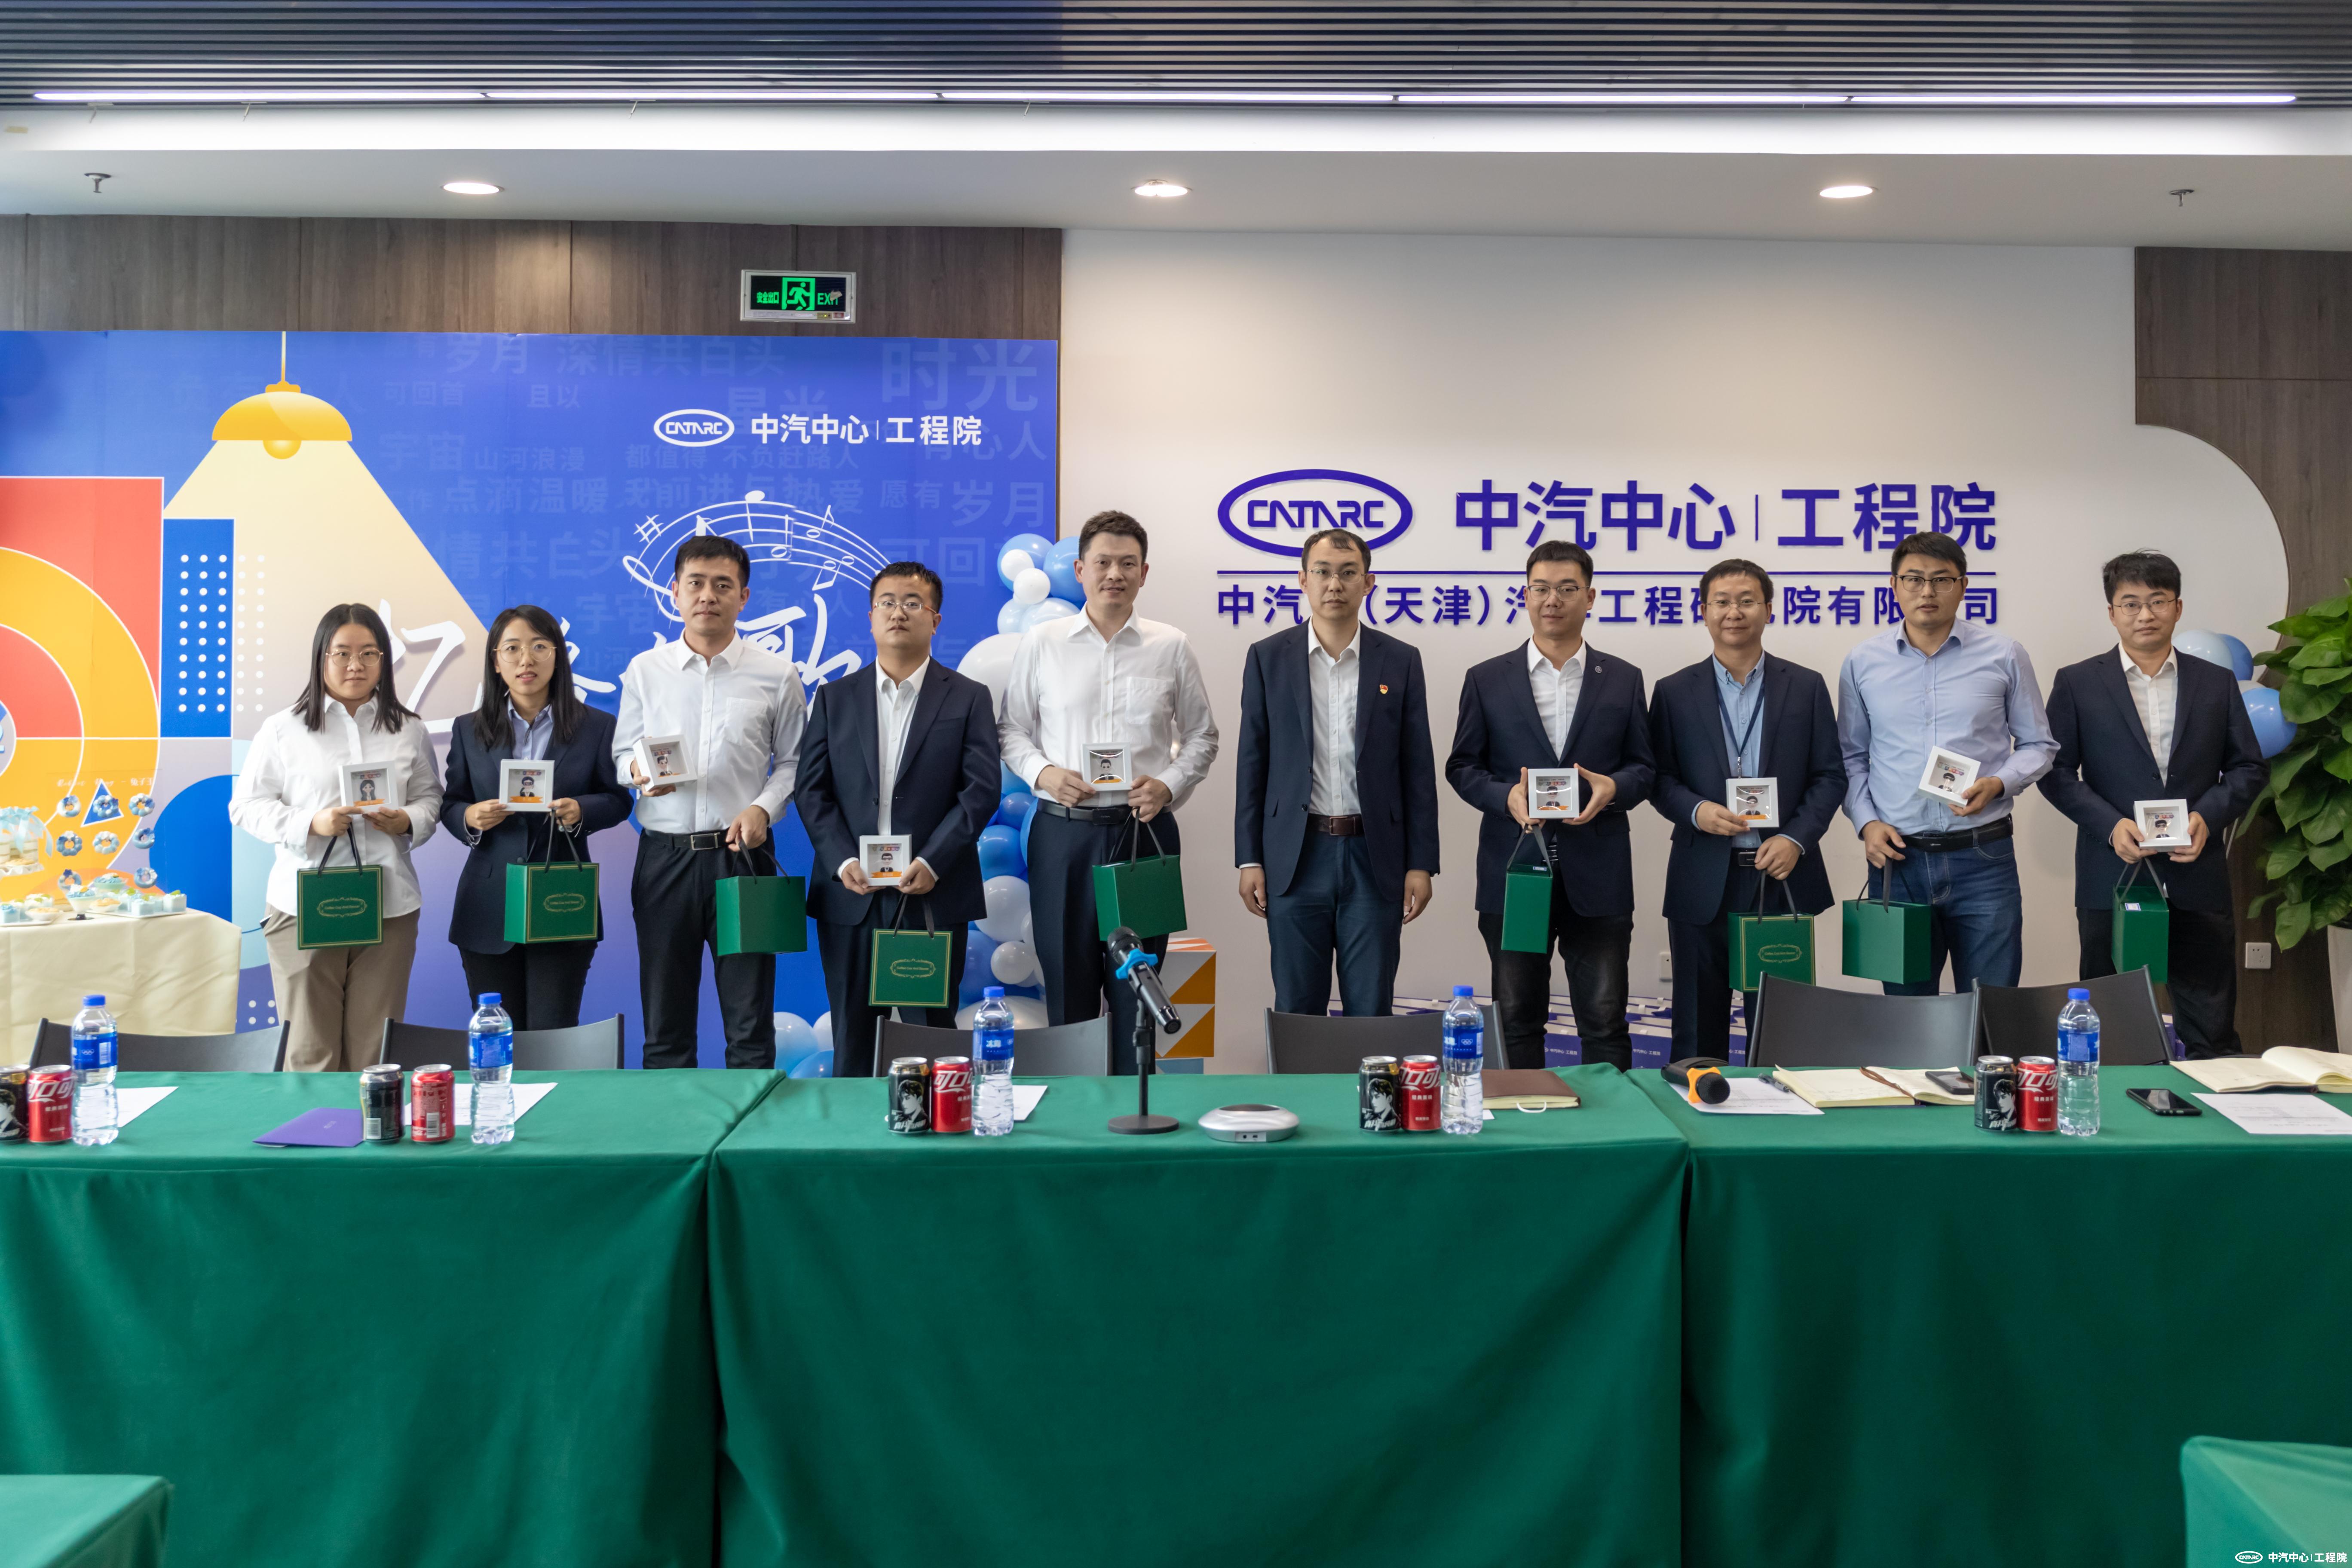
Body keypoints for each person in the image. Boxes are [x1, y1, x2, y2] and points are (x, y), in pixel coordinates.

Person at [999, 511, 1219, 1072]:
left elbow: (1203, 736)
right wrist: (1043, 774)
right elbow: (1011, 730)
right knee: (1067, 992)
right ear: (1080, 570)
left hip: (1142, 836)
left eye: (1127, 563)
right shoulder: (1044, 642)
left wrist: (1169, 785)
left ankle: (1133, 1112)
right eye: (1102, 562)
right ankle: (1074, 1115)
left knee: (1137, 991)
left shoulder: (1170, 645)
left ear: (1144, 573)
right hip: (1063, 835)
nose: (1114, 574)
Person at [2040, 551, 2266, 1057]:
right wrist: (2110, 825)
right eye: (2131, 604)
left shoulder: (2215, 682)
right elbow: (2054, 772)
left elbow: (2249, 767)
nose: (2145, 614)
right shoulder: (2078, 682)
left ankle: (2209, 1101)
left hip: (2196, 870)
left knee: (2210, 1022)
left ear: (2178, 608)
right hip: (2112, 871)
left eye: (2158, 601)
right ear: (2112, 613)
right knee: (2108, 1020)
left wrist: (2207, 817)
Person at [1446, 540, 1654, 1070]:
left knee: (1604, 1021)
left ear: (1590, 597)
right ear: (1525, 595)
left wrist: (1614, 788)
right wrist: (1506, 797)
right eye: (1541, 588)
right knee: (1516, 1018)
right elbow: (1463, 766)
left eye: (1566, 589)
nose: (1552, 600)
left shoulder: (1624, 677)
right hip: (1515, 871)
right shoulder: (1487, 678)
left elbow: (1644, 768)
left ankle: (1613, 1121)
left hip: (1599, 874)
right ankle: (1524, 1118)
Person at [797, 563, 1001, 1077]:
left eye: (913, 603)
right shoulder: (834, 698)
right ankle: (852, 1128)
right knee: (852, 1044)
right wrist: (841, 859)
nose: (898, 612)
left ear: (935, 619)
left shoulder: (968, 696)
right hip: (852, 893)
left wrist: (934, 861)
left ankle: (933, 1130)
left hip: (931, 893)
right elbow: (811, 790)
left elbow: (980, 791)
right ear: (871, 617)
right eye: (887, 602)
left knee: (932, 1043)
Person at [613, 536, 808, 1069]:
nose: (708, 596)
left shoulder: (777, 674)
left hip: (743, 859)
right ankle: (674, 1124)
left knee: (750, 1027)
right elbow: (622, 753)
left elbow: (796, 763)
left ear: (744, 597)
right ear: (674, 592)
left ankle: (750, 1124)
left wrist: (763, 809)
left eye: (723, 585)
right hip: (664, 858)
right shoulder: (646, 670)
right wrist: (638, 775)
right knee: (665, 1026)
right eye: (695, 584)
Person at [1838, 531, 2056, 994]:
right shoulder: (1862, 661)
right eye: (1914, 579)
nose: (1927, 591)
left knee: (1988, 1009)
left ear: (1963, 586)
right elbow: (1851, 756)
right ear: (1894, 585)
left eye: (1942, 580)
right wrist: (1866, 823)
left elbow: (2039, 744)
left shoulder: (2005, 654)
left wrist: (1999, 783)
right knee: (1908, 1017)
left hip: (1983, 858)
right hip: (1898, 861)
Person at [1234, 527, 1439, 1017]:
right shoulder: (1268, 658)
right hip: (1295, 856)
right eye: (1323, 572)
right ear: (1303, 580)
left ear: (1368, 583)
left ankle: (1369, 1077)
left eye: (1348, 573)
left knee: (1371, 1008)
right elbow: (1252, 762)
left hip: (1375, 856)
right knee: (1297, 1006)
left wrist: (1421, 863)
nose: (1335, 585)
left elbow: (1418, 769)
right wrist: (1249, 859)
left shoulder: (1401, 660)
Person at [1646, 560, 1847, 1060]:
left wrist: (1795, 839)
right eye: (1721, 602)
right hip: (1702, 875)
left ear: (1768, 609)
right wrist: (1696, 811)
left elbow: (1829, 776)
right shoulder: (1673, 691)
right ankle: (1700, 1104)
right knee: (1697, 1031)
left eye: (1746, 601)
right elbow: (1658, 778)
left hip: (1780, 876)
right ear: (1704, 611)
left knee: (1782, 1028)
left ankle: (1777, 1109)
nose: (1733, 612)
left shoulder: (1805, 685)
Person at [229, 604, 442, 1071]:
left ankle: (372, 1121)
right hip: (305, 907)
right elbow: (245, 806)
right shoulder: (284, 729)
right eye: (342, 653)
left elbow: (431, 798)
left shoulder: (408, 728)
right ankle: (314, 1123)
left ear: (384, 660)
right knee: (310, 1054)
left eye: (369, 653)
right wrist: (312, 823)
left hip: (389, 906)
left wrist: (406, 820)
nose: (355, 665)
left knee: (377, 1056)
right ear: (321, 658)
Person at [439, 605, 634, 1032]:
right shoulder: (469, 728)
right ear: (496, 662)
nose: (526, 660)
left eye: (539, 647)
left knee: (553, 1036)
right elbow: (450, 803)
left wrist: (582, 810)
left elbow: (619, 800)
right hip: (487, 906)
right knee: (498, 1039)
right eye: (512, 648)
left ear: (557, 656)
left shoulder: (597, 726)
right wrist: (470, 816)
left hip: (561, 899)